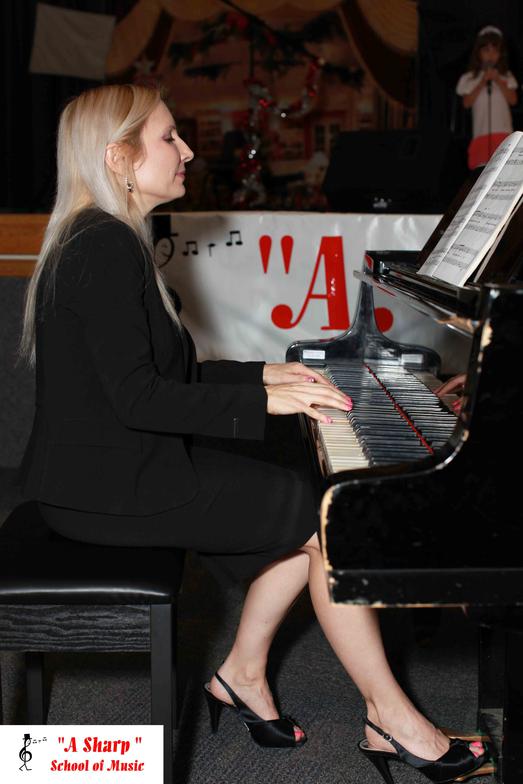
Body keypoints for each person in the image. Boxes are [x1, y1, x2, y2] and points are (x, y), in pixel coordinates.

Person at [17, 84, 487, 782]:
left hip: (109, 468)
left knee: (300, 494)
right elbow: (139, 399)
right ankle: (390, 718)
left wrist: (268, 374)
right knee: (328, 520)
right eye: (168, 138)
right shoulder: (103, 247)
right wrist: (266, 404)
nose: (187, 150)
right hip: (109, 487)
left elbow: (164, 376)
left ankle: (241, 675)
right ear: (118, 157)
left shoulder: (101, 237)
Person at [456, 26, 518, 171]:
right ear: (478, 53)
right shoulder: (469, 78)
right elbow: (466, 103)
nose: (491, 55)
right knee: (481, 175)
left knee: (504, 174)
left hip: (504, 135)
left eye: (495, 51)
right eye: (486, 50)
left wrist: (497, 80)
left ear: (500, 54)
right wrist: (482, 81)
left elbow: (513, 100)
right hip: (481, 135)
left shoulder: (506, 76)